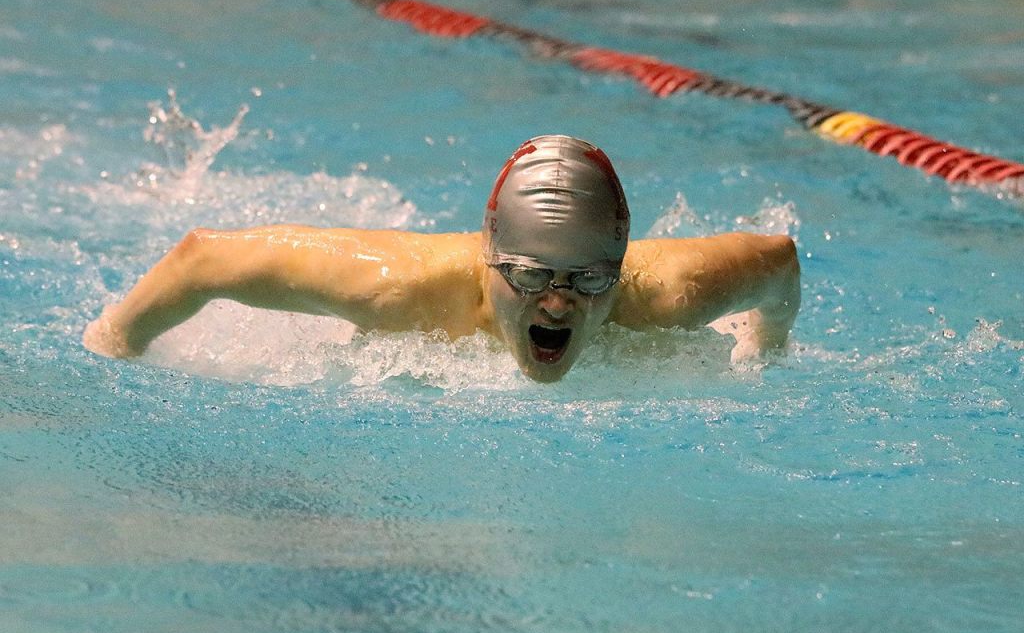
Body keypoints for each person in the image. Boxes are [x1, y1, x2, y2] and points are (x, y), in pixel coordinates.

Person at [83, 134, 800, 382]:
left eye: (586, 280)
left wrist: (760, 354)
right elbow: (204, 258)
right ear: (492, 262)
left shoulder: (668, 295)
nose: (558, 304)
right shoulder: (401, 291)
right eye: (530, 277)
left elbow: (780, 261)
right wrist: (113, 348)